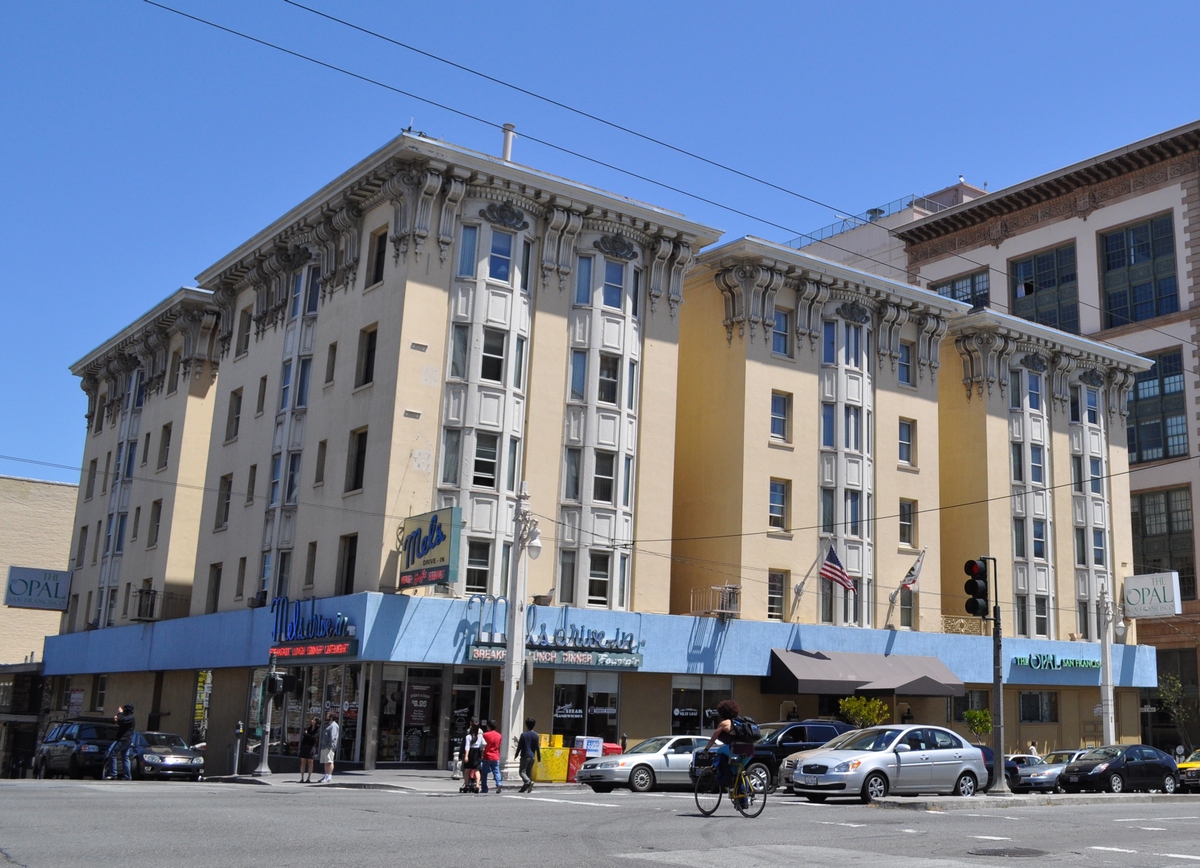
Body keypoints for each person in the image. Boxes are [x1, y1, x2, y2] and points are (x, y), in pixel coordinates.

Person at [701, 698, 742, 791]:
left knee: (720, 751)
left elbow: (712, 739)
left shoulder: (724, 723)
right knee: (739, 772)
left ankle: (725, 778)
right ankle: (743, 799)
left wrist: (706, 750)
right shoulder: (741, 722)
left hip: (736, 748)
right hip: (750, 749)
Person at [110, 704, 136, 780]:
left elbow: (122, 720)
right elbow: (122, 723)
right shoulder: (128, 717)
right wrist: (117, 720)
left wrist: (119, 713)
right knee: (125, 756)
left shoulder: (130, 717)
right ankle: (127, 776)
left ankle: (113, 774)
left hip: (124, 739)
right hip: (126, 739)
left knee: (112, 754)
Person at [515, 718, 541, 793]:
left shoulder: (523, 735)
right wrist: (539, 757)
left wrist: (516, 754)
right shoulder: (536, 735)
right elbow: (537, 747)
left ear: (526, 725)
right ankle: (525, 787)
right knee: (528, 772)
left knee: (522, 772)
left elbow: (519, 746)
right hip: (532, 756)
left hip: (525, 755)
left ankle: (528, 782)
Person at [480, 720, 502, 794]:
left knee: (484, 773)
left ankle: (484, 788)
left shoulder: (485, 735)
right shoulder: (499, 735)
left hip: (487, 755)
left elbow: (482, 745)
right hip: (495, 756)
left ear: (489, 727)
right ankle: (499, 783)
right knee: (496, 771)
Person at [461, 720, 483, 793]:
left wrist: (466, 756)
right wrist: (482, 753)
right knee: (477, 770)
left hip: (471, 752)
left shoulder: (469, 736)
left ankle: (466, 785)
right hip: (477, 752)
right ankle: (477, 785)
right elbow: (483, 744)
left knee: (467, 770)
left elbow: (467, 747)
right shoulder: (480, 736)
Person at [318, 712, 339, 783]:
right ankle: (326, 775)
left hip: (329, 746)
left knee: (329, 761)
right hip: (324, 746)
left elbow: (333, 736)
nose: (326, 717)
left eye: (327, 716)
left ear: (331, 717)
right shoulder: (329, 725)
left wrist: (331, 745)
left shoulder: (334, 725)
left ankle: (329, 776)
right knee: (325, 762)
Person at [298, 716, 319, 783]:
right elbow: (305, 736)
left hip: (311, 746)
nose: (311, 721)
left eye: (313, 720)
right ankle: (302, 778)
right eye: (311, 719)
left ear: (316, 721)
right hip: (305, 746)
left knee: (310, 762)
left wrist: (307, 734)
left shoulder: (317, 729)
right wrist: (307, 735)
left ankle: (308, 778)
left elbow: (314, 738)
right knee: (303, 761)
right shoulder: (309, 728)